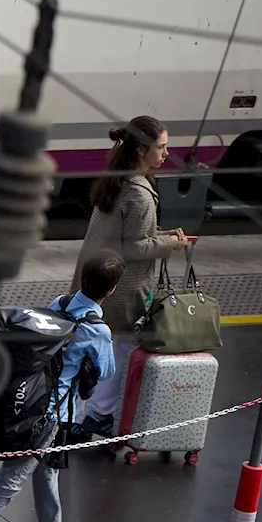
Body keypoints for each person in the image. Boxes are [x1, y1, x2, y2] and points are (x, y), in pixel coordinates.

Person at [0, 250, 126, 522]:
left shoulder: (59, 303)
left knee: (47, 470)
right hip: (48, 414)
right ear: (112, 290)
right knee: (13, 476)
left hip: (33, 399)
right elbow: (108, 371)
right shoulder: (97, 330)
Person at [71, 117, 189, 438]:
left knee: (86, 352)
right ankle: (99, 414)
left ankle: (79, 416)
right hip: (121, 288)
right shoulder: (139, 193)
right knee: (117, 352)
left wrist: (160, 235)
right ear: (141, 149)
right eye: (161, 147)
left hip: (93, 278)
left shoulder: (116, 179)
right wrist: (172, 244)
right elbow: (136, 247)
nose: (166, 153)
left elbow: (127, 235)